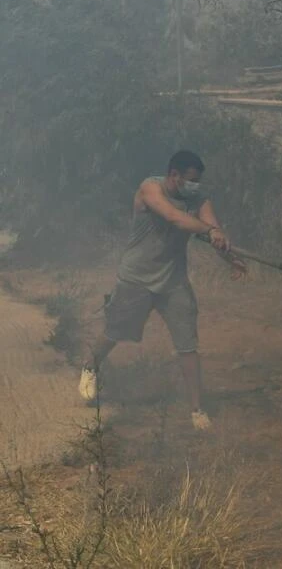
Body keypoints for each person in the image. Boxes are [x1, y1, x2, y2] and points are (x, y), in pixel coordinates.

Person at [78, 150, 245, 430]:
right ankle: (90, 366)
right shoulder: (150, 188)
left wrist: (230, 257)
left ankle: (197, 410)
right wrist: (209, 232)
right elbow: (176, 219)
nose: (194, 186)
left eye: (198, 181)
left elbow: (214, 230)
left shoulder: (199, 200)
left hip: (173, 282)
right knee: (116, 331)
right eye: (190, 180)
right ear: (174, 175)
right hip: (137, 278)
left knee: (188, 346)